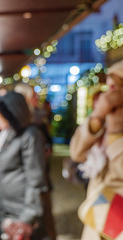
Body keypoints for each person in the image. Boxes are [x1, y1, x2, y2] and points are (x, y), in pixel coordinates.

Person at [70, 59, 123, 240]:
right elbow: (77, 152)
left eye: (116, 88)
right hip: (101, 217)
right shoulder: (107, 120)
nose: (110, 95)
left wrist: (116, 134)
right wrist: (97, 117)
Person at [0, 92, 49, 240]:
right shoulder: (5, 134)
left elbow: (36, 180)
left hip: (20, 215)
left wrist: (27, 219)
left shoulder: (30, 135)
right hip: (6, 212)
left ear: (13, 112)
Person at [14, 83, 56, 240]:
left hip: (40, 177)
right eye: (33, 96)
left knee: (44, 224)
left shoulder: (36, 120)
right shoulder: (27, 124)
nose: (36, 99)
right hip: (30, 181)